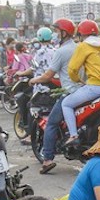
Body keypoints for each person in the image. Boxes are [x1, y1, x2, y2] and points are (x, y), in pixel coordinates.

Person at [31, 19, 78, 174]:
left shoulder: (61, 51)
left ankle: (48, 159)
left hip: (69, 91)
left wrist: (34, 80)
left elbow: (48, 75)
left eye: (57, 32)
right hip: (83, 90)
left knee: (51, 123)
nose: (55, 35)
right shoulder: (78, 48)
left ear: (64, 33)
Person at [62, 20, 100, 146]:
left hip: (95, 88)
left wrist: (77, 80)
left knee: (66, 104)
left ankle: (73, 135)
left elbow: (72, 69)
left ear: (81, 34)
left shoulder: (83, 46)